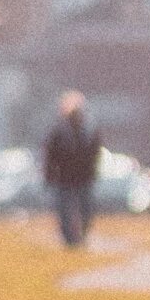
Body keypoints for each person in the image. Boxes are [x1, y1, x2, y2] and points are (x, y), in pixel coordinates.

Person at [41, 93, 103, 249]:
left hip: (84, 177)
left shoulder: (89, 132)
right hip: (65, 178)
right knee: (64, 210)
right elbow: (50, 155)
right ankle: (70, 240)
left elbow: (96, 153)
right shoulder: (58, 133)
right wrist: (49, 175)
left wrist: (94, 171)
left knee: (86, 209)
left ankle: (82, 235)